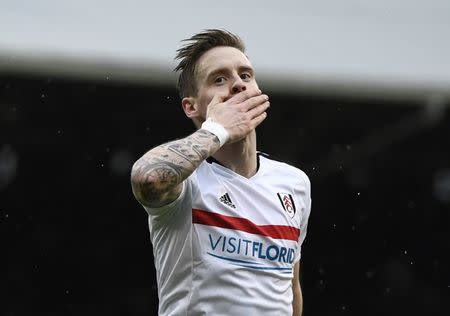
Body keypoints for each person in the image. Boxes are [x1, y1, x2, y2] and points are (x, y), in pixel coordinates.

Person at [131, 29, 311, 316]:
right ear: (191, 107)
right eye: (219, 79)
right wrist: (218, 129)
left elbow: (290, 288)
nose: (238, 84)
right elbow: (148, 178)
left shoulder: (294, 183)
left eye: (246, 75)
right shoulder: (186, 183)